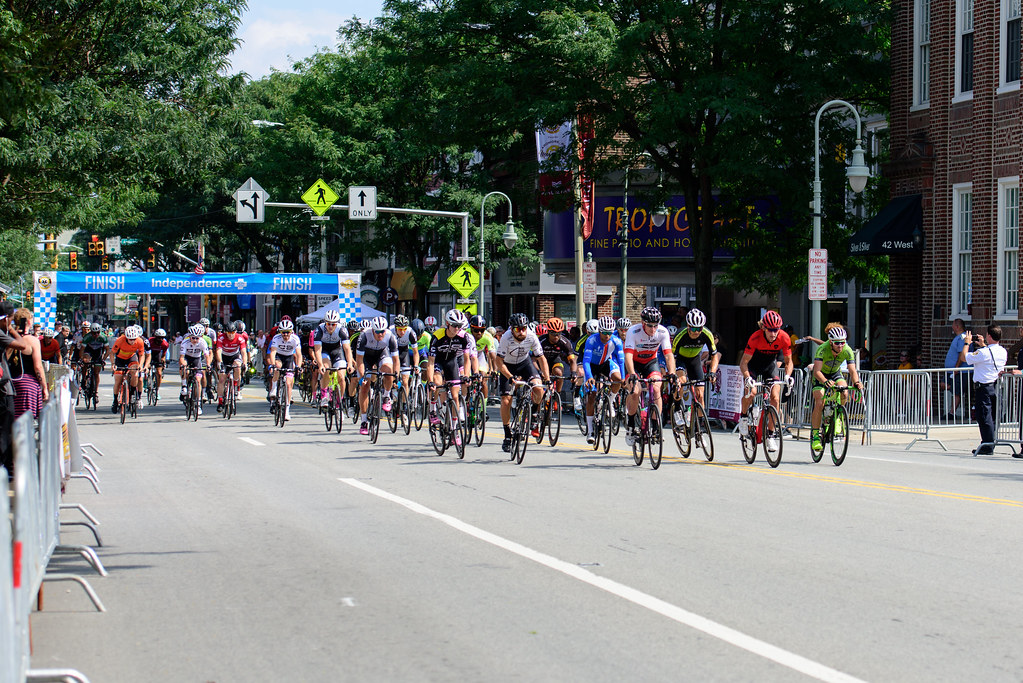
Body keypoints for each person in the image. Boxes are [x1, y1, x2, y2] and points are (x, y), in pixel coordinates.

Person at [495, 313, 549, 451]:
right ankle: (507, 435)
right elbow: (498, 362)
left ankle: (534, 413)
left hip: (525, 364)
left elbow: (541, 358)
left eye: (524, 328)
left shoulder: (531, 336)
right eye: (518, 329)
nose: (522, 332)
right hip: (507, 365)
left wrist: (547, 379)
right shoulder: (506, 338)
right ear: (512, 329)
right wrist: (509, 377)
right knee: (506, 400)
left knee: (538, 389)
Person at [738, 310, 794, 439]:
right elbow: (743, 363)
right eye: (770, 330)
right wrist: (748, 378)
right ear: (764, 327)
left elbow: (789, 361)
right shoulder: (755, 337)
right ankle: (744, 417)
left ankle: (771, 434)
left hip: (770, 366)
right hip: (753, 366)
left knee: (775, 397)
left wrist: (787, 375)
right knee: (751, 392)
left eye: (776, 330)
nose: (774, 333)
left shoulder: (784, 337)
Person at [623, 307, 675, 447]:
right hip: (633, 363)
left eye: (655, 326)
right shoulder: (633, 331)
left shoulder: (663, 332)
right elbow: (627, 355)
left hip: (651, 363)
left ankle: (656, 426)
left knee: (657, 389)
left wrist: (672, 373)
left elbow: (668, 355)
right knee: (635, 391)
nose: (653, 329)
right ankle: (631, 425)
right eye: (650, 326)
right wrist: (632, 374)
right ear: (643, 323)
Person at [809, 326, 863, 452]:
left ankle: (838, 417)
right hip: (821, 375)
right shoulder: (822, 349)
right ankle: (816, 436)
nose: (840, 345)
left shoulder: (847, 350)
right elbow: (816, 371)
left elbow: (852, 370)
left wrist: (857, 382)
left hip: (835, 373)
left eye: (843, 342)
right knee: (819, 401)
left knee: (844, 391)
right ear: (831, 342)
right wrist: (825, 381)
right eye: (837, 343)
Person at [964, 325, 1006, 455]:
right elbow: (987, 357)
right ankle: (989, 442)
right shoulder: (1003, 351)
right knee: (992, 416)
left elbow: (965, 357)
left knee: (984, 416)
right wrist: (983, 345)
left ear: (989, 336)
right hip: (995, 386)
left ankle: (987, 445)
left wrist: (967, 342)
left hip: (984, 387)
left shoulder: (984, 352)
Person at [9, 308, 49, 420]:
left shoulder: (8, 338)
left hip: (9, 384)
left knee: (11, 421)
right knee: (26, 422)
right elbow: (38, 366)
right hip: (27, 385)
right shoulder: (32, 340)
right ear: (29, 321)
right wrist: (44, 387)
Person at [940, 318, 969, 419]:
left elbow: (962, 353)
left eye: (953, 325)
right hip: (950, 371)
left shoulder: (963, 337)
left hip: (960, 371)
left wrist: (956, 367)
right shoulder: (957, 337)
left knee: (957, 391)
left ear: (957, 326)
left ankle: (952, 413)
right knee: (944, 385)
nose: (952, 327)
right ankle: (950, 411)